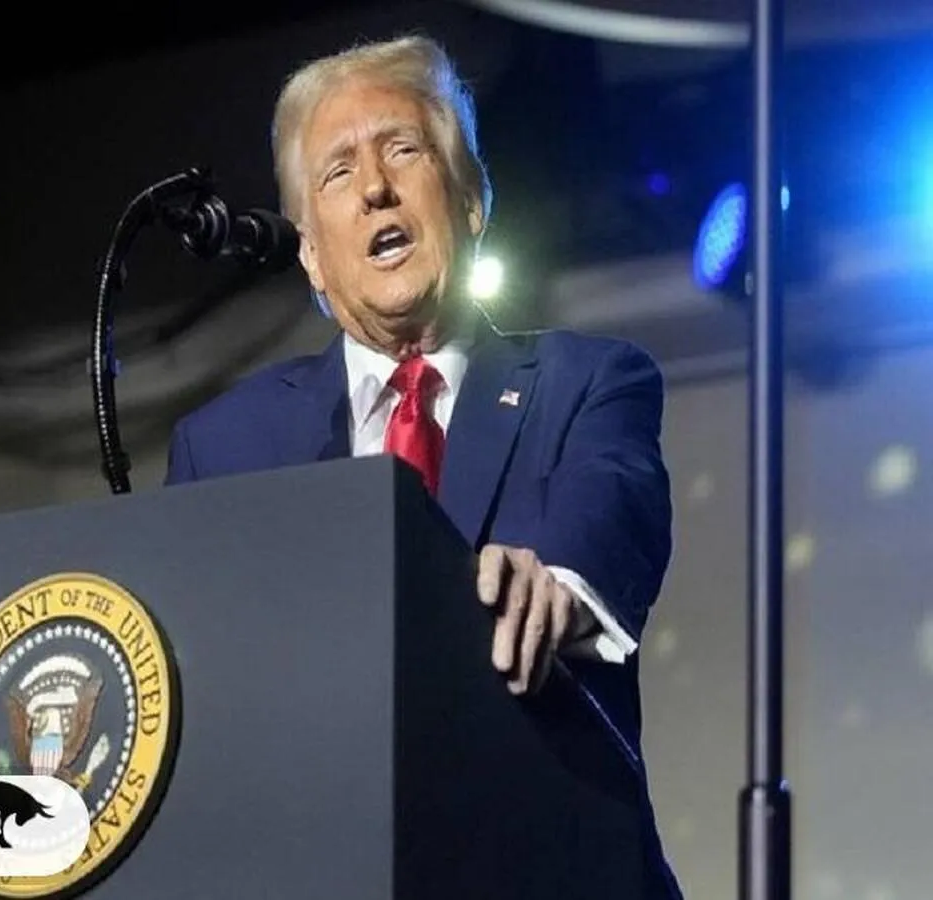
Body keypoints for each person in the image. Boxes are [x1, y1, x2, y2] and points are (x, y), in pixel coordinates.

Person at [165, 35, 681, 897]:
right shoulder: (227, 446)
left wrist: (557, 582)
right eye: (337, 173)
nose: (374, 187)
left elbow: (613, 500)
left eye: (402, 150)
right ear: (311, 253)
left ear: (471, 200)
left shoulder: (587, 381)